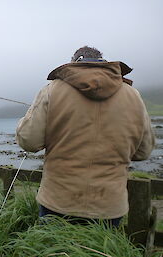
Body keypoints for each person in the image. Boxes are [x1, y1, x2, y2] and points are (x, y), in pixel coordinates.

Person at [16, 46, 155, 227]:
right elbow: (143, 151)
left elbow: (29, 141)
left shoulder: (52, 90)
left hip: (58, 200)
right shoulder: (133, 95)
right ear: (103, 62)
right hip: (109, 204)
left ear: (74, 63)